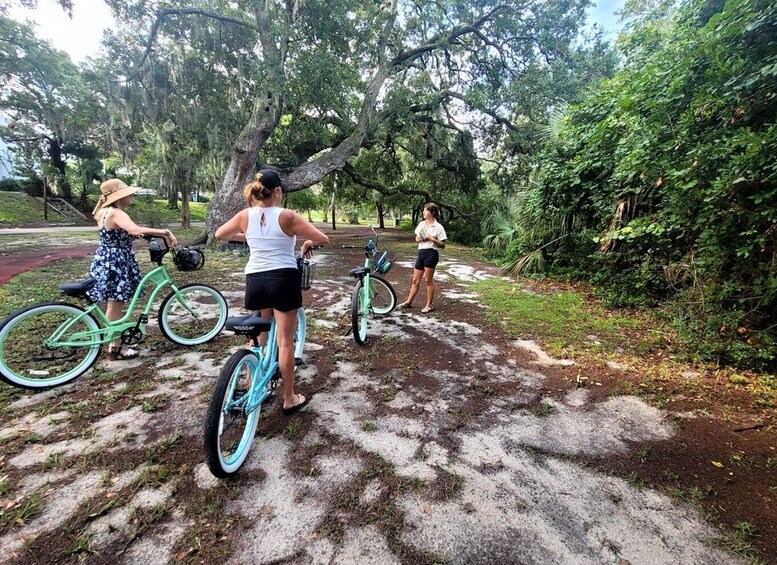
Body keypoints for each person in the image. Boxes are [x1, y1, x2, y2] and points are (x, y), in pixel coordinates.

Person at [215, 169, 329, 414]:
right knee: (286, 343)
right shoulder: (287, 216)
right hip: (283, 279)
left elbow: (219, 234)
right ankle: (289, 397)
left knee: (257, 336)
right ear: (277, 191)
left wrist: (250, 236)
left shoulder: (245, 215)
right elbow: (323, 239)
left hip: (255, 279)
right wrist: (308, 242)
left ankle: (252, 382)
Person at [88, 178, 178, 360]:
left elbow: (121, 233)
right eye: (128, 193)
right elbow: (134, 230)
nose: (131, 195)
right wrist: (165, 232)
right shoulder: (117, 213)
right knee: (115, 304)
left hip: (105, 258)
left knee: (114, 303)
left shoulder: (103, 212)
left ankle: (115, 342)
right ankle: (114, 347)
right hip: (118, 261)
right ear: (118, 196)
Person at [398, 202, 447, 313]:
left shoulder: (438, 227)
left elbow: (443, 245)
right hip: (421, 253)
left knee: (428, 280)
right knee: (415, 280)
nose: (423, 212)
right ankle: (408, 302)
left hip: (431, 254)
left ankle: (429, 305)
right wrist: (423, 239)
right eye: (424, 210)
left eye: (425, 210)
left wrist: (432, 239)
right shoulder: (422, 224)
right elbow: (416, 239)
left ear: (432, 212)